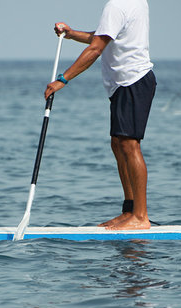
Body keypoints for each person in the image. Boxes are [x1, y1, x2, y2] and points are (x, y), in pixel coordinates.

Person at [45, 0, 156, 230]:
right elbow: (104, 36)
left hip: (132, 81)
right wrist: (72, 33)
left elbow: (96, 48)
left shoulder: (116, 5)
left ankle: (141, 216)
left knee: (130, 145)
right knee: (118, 144)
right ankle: (130, 210)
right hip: (123, 84)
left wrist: (62, 79)